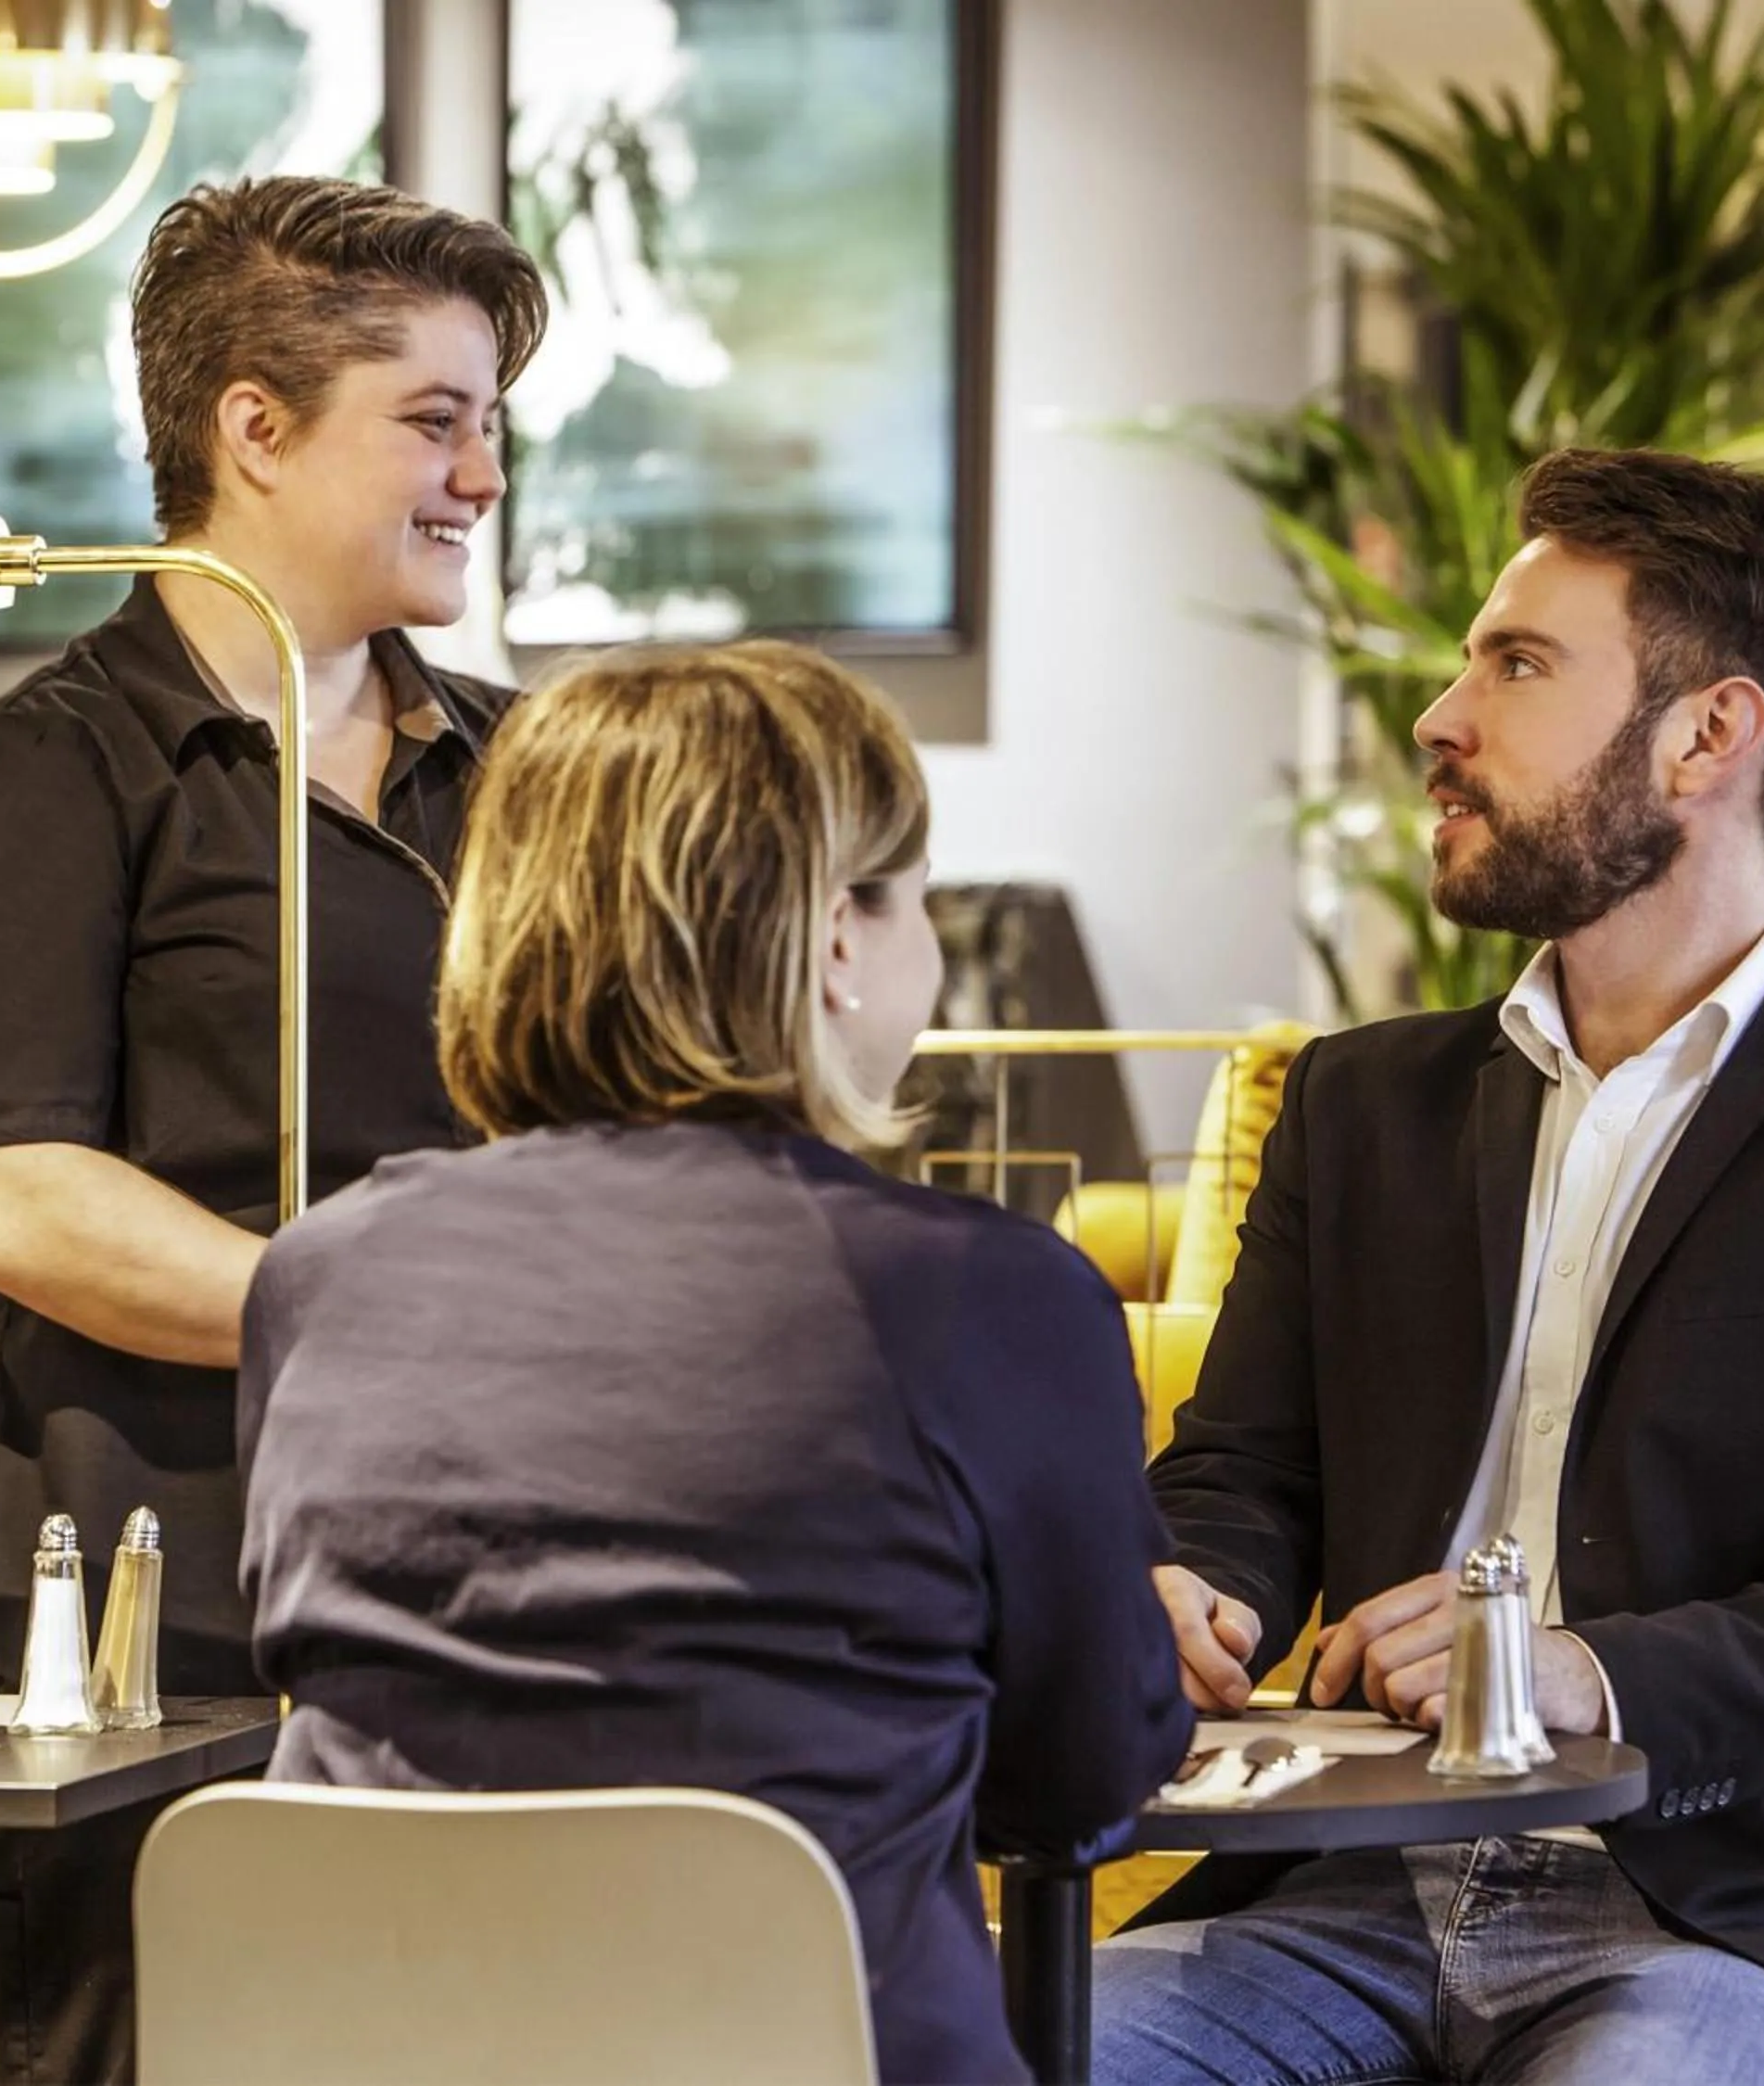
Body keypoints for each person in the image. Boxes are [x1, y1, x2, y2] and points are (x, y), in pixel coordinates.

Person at [1087, 446, 1764, 2085]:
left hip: (1744, 1919)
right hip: (1339, 1893)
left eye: (1517, 664)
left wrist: (1573, 1670)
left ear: (1707, 734)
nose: (1440, 718)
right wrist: (1199, 1589)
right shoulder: (1360, 1097)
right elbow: (1245, 1469)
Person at [234, 639, 1192, 2086]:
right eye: (915, 894)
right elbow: (1078, 1782)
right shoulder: (995, 1296)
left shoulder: (317, 1277)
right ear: (836, 941)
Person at [0, 175, 547, 2084]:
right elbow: (18, 1203)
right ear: (252, 425)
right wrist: (389, 1321)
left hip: (503, 1575)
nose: (483, 475)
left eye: (490, 422)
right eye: (436, 418)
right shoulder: (45, 775)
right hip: (179, 1590)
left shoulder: (528, 765)